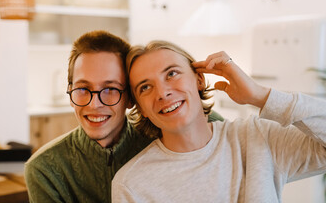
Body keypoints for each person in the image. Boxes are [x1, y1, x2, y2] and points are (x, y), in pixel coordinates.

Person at [112, 40, 326, 202]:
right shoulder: (131, 185)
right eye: (145, 87)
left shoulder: (258, 139)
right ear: (141, 109)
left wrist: (259, 95)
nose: (163, 92)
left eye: (172, 74)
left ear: (199, 79)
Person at [24, 31, 223, 203]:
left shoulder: (162, 131)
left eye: (110, 88)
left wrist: (254, 95)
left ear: (130, 98)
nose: (95, 104)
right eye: (83, 89)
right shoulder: (45, 169)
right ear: (70, 93)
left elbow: (207, 121)